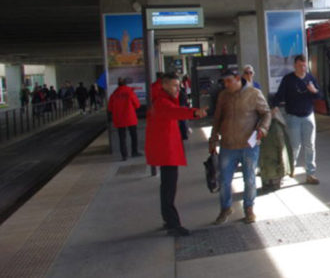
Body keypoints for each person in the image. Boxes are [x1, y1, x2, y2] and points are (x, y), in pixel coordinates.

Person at [145, 73, 207, 237]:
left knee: (167, 188)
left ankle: (168, 220)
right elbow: (176, 112)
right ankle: (173, 224)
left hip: (166, 150)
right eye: (174, 85)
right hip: (167, 152)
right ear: (164, 85)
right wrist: (194, 113)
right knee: (169, 189)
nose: (177, 89)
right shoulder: (162, 102)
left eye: (178, 85)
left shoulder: (161, 100)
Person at [209, 69, 271, 224]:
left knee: (249, 179)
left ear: (238, 78)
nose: (226, 85)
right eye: (224, 82)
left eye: (229, 81)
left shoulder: (254, 93)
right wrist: (213, 139)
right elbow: (217, 118)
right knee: (224, 180)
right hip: (228, 145)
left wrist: (263, 129)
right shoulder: (223, 96)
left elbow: (266, 113)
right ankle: (225, 208)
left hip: (248, 145)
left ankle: (249, 208)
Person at [272, 54, 321, 185]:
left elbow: (319, 96)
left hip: (308, 116)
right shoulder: (288, 79)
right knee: (294, 146)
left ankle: (310, 174)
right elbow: (279, 95)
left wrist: (314, 90)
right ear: (295, 65)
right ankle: (290, 169)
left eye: (304, 65)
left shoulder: (310, 78)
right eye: (300, 65)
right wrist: (273, 106)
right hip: (293, 117)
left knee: (310, 145)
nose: (302, 68)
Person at [259, 108, 293, 193]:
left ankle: (271, 182)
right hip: (267, 127)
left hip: (269, 128)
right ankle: (271, 182)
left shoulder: (275, 126)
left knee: (272, 157)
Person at [108, 78, 141, 161]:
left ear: (118, 85)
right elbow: (137, 105)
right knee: (133, 135)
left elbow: (110, 108)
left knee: (122, 137)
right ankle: (134, 152)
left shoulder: (114, 94)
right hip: (130, 117)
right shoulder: (130, 92)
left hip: (119, 118)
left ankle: (124, 155)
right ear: (126, 84)